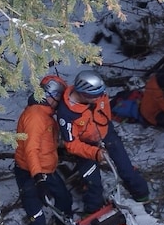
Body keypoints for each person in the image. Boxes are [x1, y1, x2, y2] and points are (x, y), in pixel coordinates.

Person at [56, 70, 150, 214]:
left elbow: (104, 113)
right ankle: (93, 213)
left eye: (101, 94)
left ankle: (143, 197)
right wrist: (95, 153)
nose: (100, 98)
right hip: (85, 146)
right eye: (95, 96)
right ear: (83, 94)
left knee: (127, 170)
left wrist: (103, 135)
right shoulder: (67, 113)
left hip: (106, 134)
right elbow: (71, 144)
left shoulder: (99, 95)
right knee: (93, 183)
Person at [14, 75, 73, 225]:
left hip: (47, 170)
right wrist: (38, 179)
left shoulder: (46, 115)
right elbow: (31, 150)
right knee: (38, 224)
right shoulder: (35, 116)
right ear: (50, 96)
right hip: (30, 173)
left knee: (64, 198)